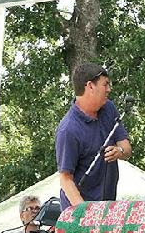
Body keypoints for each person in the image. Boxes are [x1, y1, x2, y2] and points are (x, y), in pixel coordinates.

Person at [55, 63, 132, 210]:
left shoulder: (109, 108)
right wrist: (86, 213)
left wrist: (119, 152)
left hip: (108, 208)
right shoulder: (68, 130)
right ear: (90, 86)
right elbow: (65, 180)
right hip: (79, 213)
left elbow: (127, 148)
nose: (109, 89)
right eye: (105, 84)